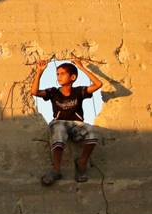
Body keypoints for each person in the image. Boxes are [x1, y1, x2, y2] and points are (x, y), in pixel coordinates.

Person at [30, 57, 103, 185]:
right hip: (60, 122)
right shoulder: (53, 92)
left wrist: (81, 67)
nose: (59, 76)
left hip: (76, 125)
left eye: (63, 74)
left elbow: (98, 84)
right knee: (58, 128)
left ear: (72, 77)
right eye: (58, 74)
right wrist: (39, 72)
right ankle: (56, 170)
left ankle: (82, 163)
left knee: (92, 132)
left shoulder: (79, 91)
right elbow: (34, 92)